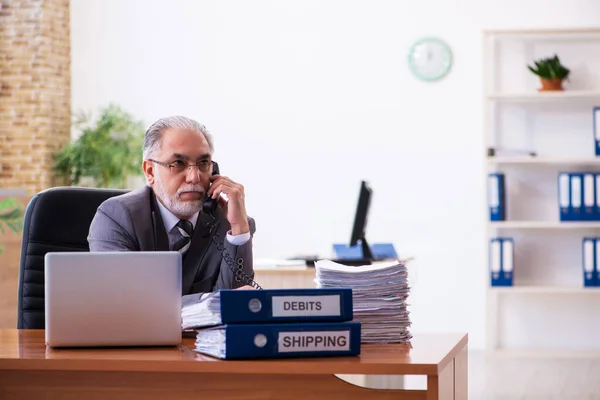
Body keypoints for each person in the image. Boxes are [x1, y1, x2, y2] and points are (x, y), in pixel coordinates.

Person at [87, 116, 256, 299]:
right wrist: (206, 302)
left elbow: (239, 306)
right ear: (150, 172)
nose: (194, 177)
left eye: (203, 164)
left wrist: (239, 231)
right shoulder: (117, 217)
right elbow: (127, 303)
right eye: (178, 164)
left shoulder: (228, 223)